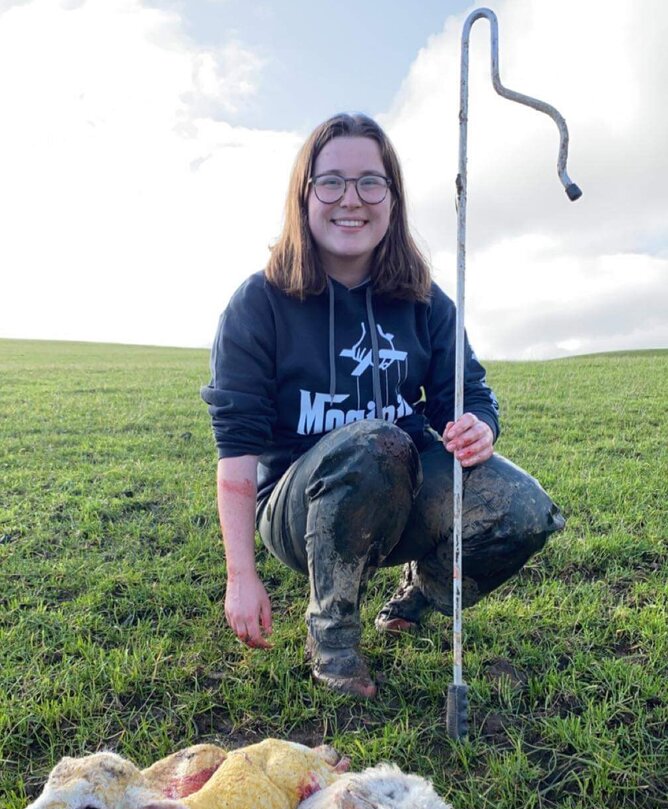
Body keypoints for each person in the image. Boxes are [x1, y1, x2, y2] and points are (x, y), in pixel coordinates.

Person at [201, 112, 564, 699]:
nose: (352, 199)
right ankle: (332, 634)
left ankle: (419, 594)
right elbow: (236, 446)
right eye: (331, 182)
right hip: (299, 508)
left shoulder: (424, 298)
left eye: (371, 181)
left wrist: (478, 426)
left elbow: (465, 393)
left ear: (392, 198)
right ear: (304, 194)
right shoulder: (258, 303)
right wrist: (240, 576)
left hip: (405, 482)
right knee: (374, 444)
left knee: (524, 510)